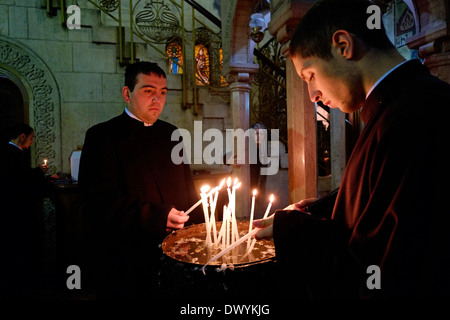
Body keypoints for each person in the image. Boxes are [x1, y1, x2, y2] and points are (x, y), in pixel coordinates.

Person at [254, 0, 450, 299]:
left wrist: (296, 231)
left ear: (343, 45)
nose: (312, 95)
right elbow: (380, 196)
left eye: (310, 76)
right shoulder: (395, 104)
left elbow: (386, 265)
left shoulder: (419, 114)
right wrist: (315, 210)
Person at [78, 61, 203, 299]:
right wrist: (156, 216)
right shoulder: (102, 136)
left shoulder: (171, 134)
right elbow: (98, 203)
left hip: (177, 256)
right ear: (127, 93)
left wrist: (199, 233)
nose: (158, 99)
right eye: (148, 91)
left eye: (163, 92)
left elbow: (189, 192)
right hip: (128, 260)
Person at [0, 123, 49, 299]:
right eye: (31, 138)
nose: (32, 142)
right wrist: (41, 172)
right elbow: (21, 183)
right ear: (22, 137)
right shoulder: (14, 154)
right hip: (18, 214)